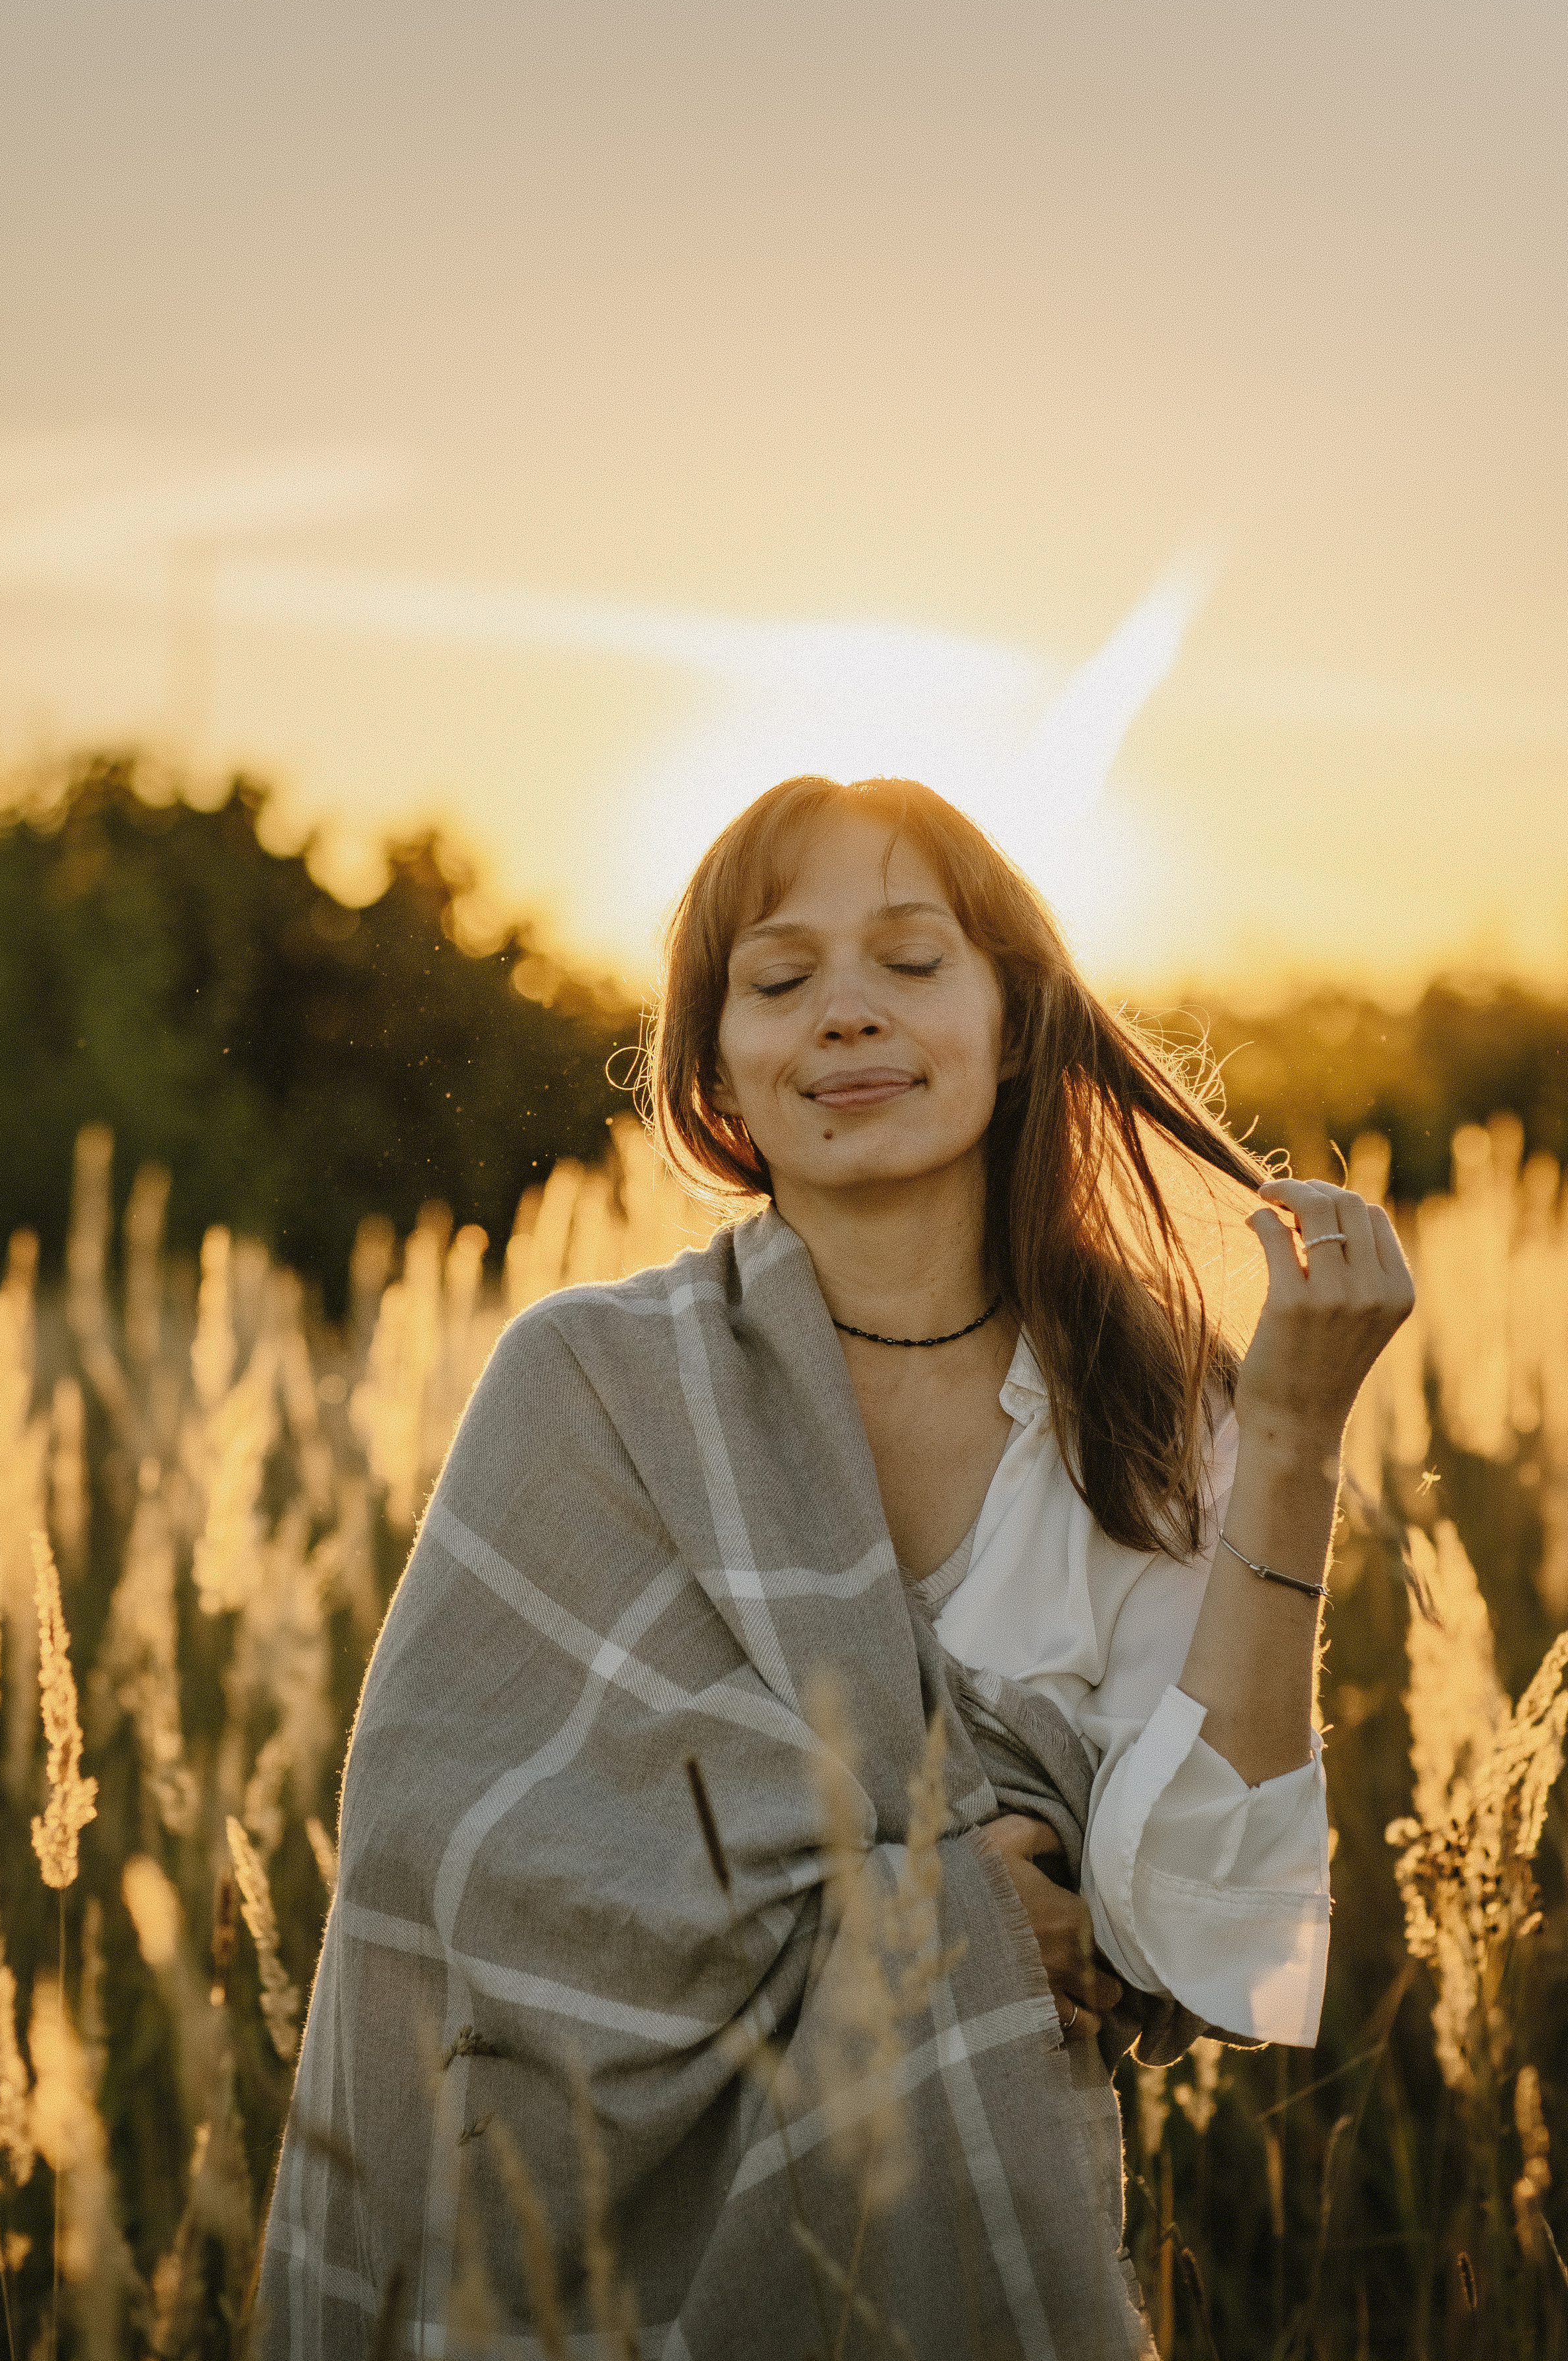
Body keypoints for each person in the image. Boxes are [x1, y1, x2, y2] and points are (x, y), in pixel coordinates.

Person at [258, 776, 1414, 2360]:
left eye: (910, 962)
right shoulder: (588, 1385)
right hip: (584, 2276)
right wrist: (956, 1906)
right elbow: (441, 1851)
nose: (846, 1015)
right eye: (782, 980)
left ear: (1013, 1022)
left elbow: (1197, 1924)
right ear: (717, 1077)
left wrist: (1289, 1438)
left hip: (982, 2241)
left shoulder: (1162, 1414)